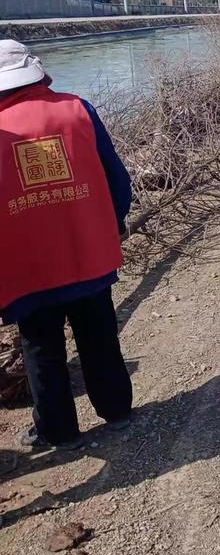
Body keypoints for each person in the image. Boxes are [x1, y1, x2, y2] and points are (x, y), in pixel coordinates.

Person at [0, 40, 133, 451]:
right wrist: (113, 223)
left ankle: (57, 432)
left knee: (41, 347)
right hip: (87, 253)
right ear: (37, 72)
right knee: (99, 334)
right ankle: (117, 412)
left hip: (27, 266)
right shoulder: (79, 109)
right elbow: (117, 180)